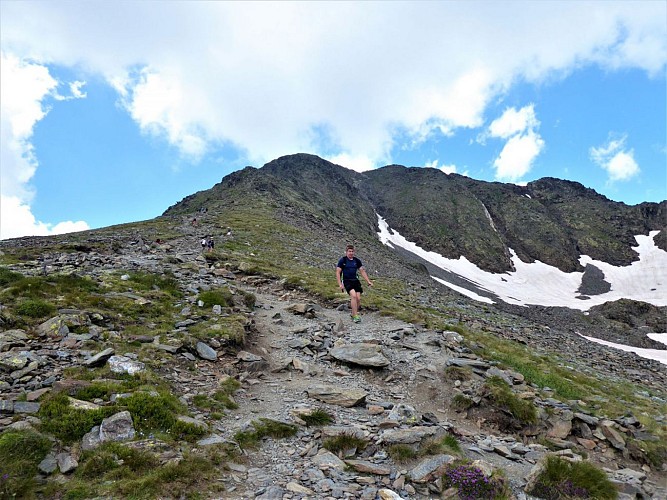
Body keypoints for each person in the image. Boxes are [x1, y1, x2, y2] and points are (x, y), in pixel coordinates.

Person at [336, 244, 373, 323]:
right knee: (353, 296)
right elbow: (338, 272)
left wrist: (368, 281)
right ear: (346, 252)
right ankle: (355, 316)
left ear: (354, 252)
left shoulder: (357, 261)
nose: (351, 253)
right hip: (347, 280)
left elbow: (362, 271)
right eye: (349, 251)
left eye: (352, 251)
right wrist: (340, 284)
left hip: (355, 281)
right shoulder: (343, 260)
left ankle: (353, 313)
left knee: (358, 298)